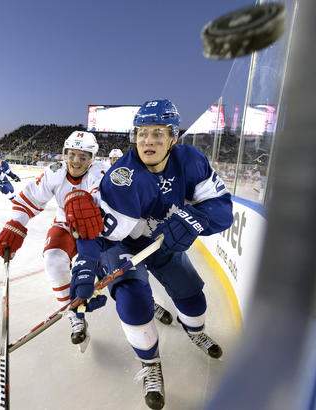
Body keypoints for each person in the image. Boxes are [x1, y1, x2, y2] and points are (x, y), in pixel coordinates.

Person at [64, 99, 233, 409]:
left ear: (173, 137)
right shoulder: (123, 178)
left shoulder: (192, 161)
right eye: (142, 133)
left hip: (163, 242)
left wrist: (195, 221)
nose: (148, 140)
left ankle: (195, 331)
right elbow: (98, 235)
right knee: (132, 300)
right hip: (122, 246)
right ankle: (151, 364)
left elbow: (222, 210)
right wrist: (86, 270)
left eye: (158, 133)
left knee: (193, 298)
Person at [0, 131, 108, 350]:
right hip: (65, 224)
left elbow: (103, 201)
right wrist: (16, 224)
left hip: (96, 230)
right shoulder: (55, 172)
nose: (75, 161)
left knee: (115, 272)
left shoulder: (100, 172)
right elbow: (31, 199)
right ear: (64, 153)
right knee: (53, 260)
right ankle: (74, 315)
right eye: (71, 154)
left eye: (82, 156)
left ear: (92, 158)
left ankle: (147, 303)